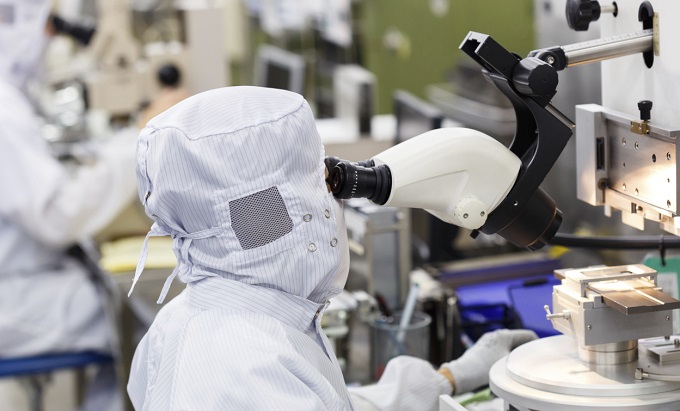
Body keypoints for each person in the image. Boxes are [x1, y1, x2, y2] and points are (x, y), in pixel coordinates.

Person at [126, 85, 536, 410]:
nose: (333, 197)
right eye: (322, 180)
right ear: (276, 211)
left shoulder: (193, 320)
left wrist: (449, 378)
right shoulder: (252, 367)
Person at [0, 1, 182, 409]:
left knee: (137, 314)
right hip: (12, 298)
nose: (50, 37)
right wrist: (141, 135)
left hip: (22, 278)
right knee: (148, 322)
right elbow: (58, 217)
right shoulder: (3, 111)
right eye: (46, 24)